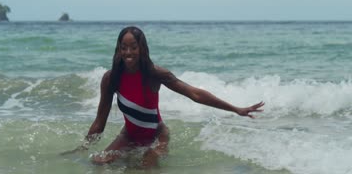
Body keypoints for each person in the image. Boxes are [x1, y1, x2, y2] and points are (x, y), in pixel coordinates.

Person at [64, 26, 264, 167]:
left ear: (141, 48)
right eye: (123, 47)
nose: (128, 52)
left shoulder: (154, 74)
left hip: (156, 136)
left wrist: (236, 109)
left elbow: (194, 94)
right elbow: (100, 121)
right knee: (97, 163)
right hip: (129, 135)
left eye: (133, 46)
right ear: (118, 49)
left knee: (145, 167)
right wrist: (82, 147)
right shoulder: (111, 78)